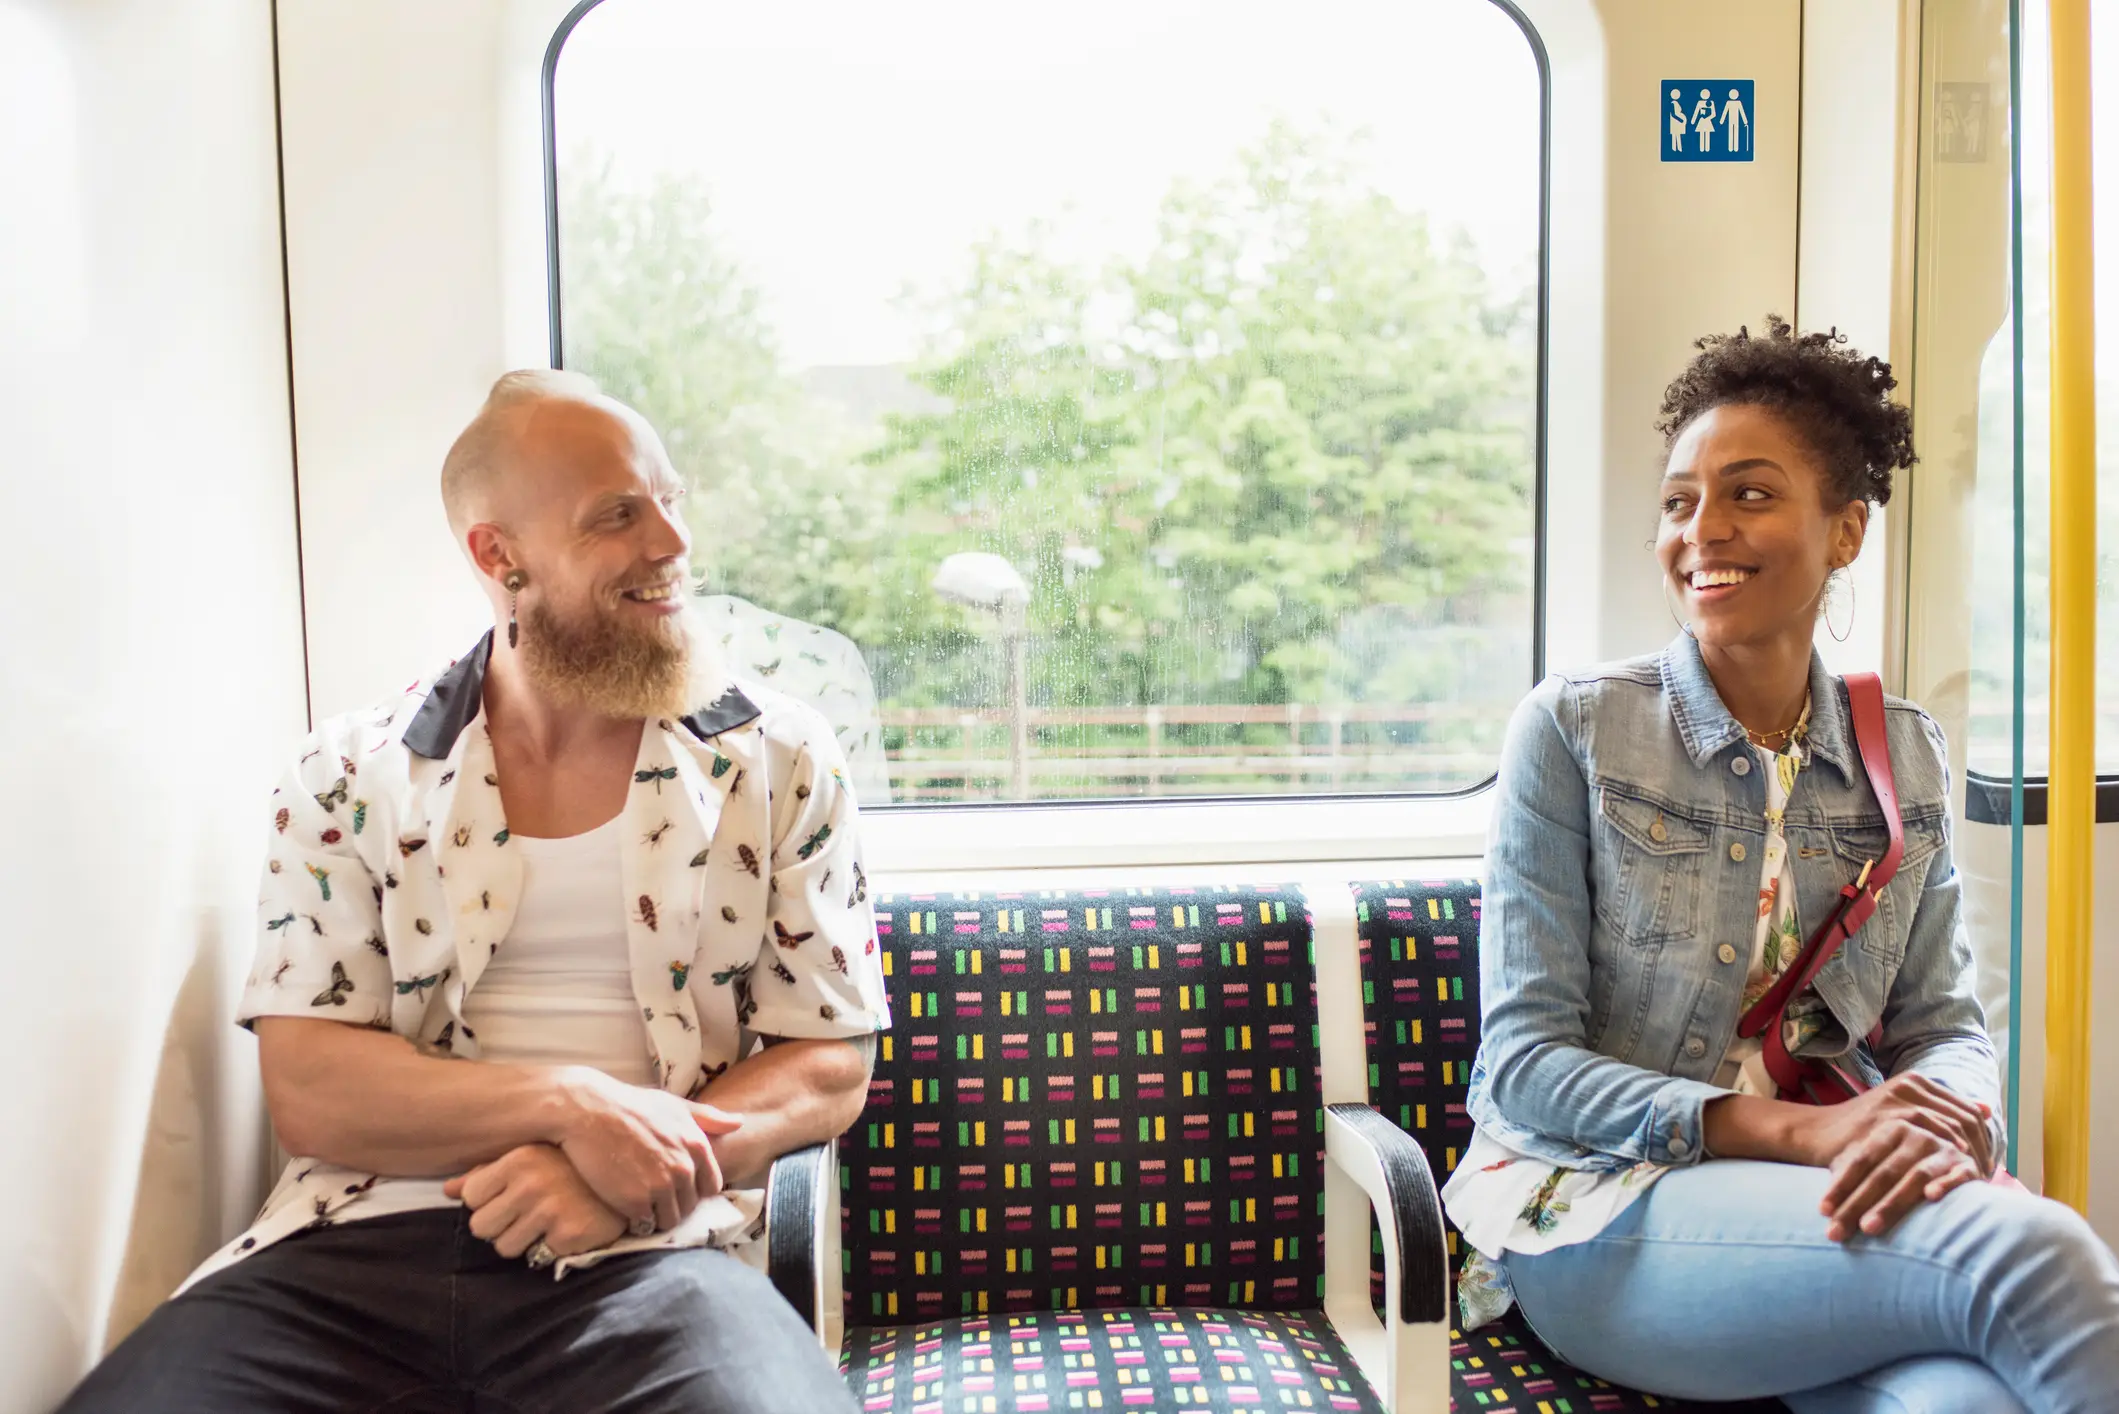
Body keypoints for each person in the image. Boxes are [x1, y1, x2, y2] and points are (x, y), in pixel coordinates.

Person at [58, 370, 886, 1413]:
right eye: (617, 515)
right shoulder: (347, 773)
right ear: (501, 558)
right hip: (347, 1252)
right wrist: (568, 1103)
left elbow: (826, 1065)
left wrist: (617, 1172)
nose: (671, 542)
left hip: (658, 1258)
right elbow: (312, 1089)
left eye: (671, 499)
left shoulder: (779, 757)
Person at [1446, 318, 2119, 1413]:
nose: (1700, 528)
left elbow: (1944, 1026)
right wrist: (1807, 1130)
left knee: (1967, 1402)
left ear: (1844, 530)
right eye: (1677, 501)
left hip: (1814, 1189)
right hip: (1593, 1211)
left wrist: (1935, 1118)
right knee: (2033, 1255)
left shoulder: (1902, 754)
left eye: (1749, 494)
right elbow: (1525, 1068)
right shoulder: (1574, 729)